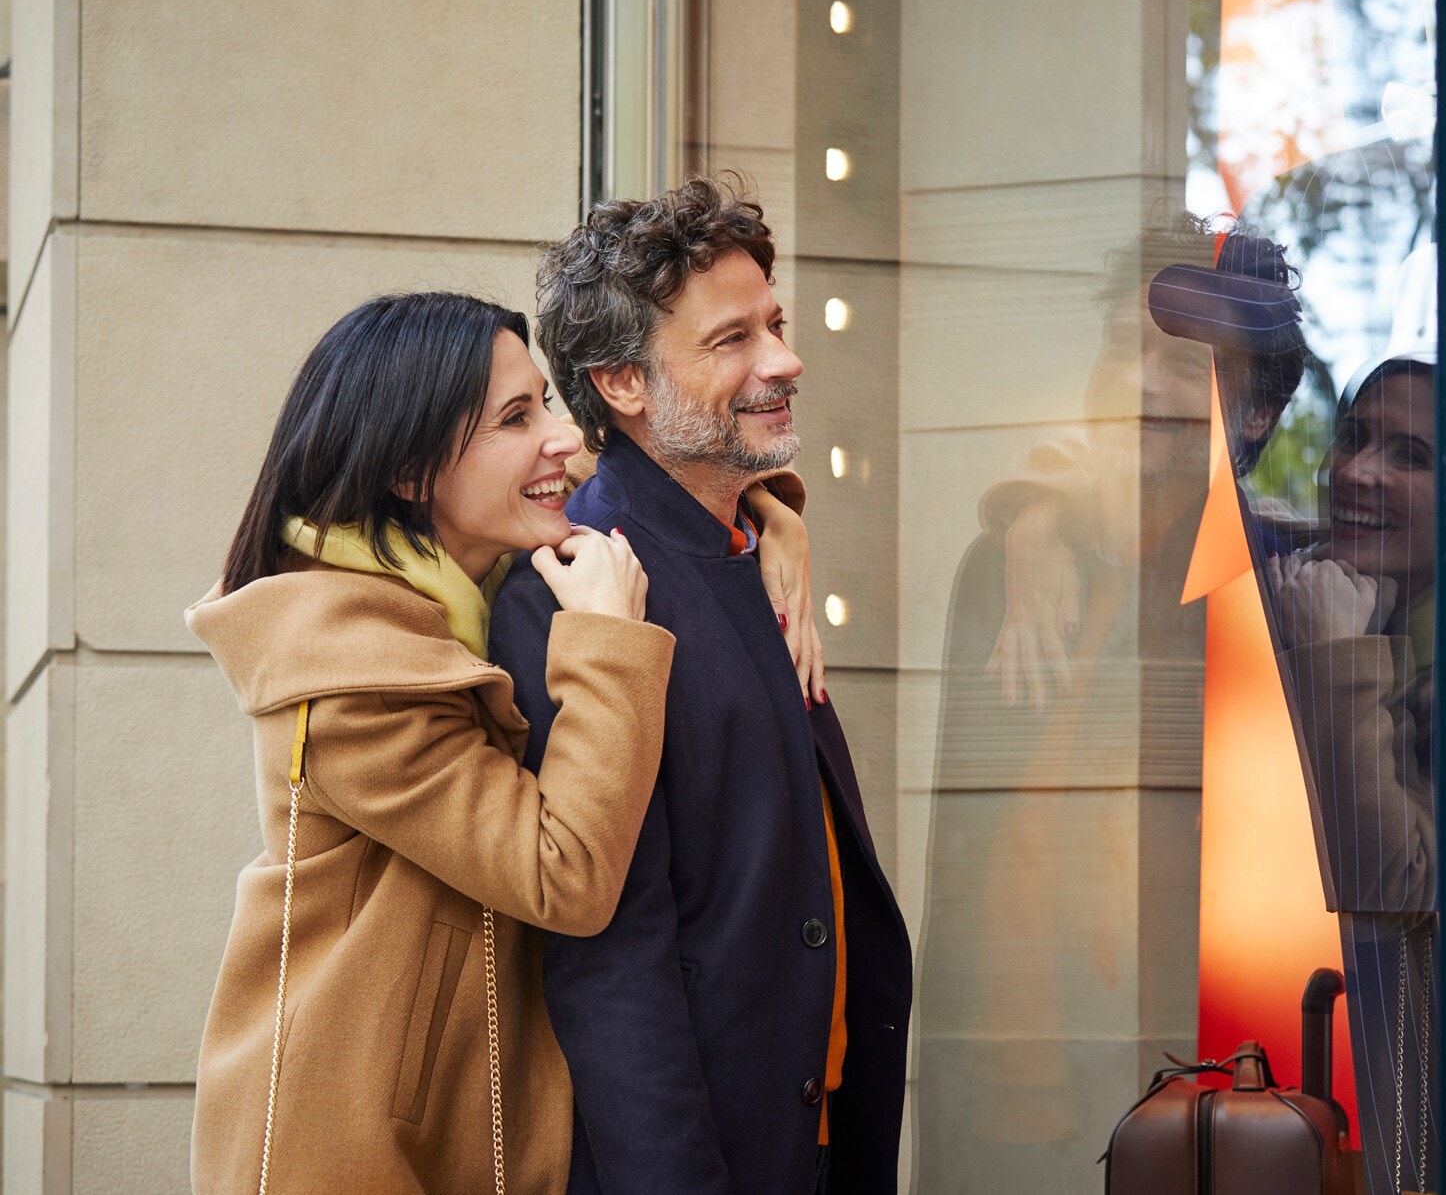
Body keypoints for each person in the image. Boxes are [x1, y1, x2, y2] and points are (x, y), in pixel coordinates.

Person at [186, 291, 816, 1191]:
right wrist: (608, 640)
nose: (562, 436)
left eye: (551, 401)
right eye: (518, 416)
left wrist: (773, 518)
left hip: (473, 1134)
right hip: (361, 1149)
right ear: (410, 471)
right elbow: (564, 873)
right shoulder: (350, 674)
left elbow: (665, 463)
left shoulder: (464, 592)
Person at [489, 174, 912, 1194]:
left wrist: (779, 517)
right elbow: (608, 958)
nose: (784, 359)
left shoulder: (750, 541)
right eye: (732, 340)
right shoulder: (574, 589)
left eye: (775, 323)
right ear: (622, 383)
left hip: (808, 1132)